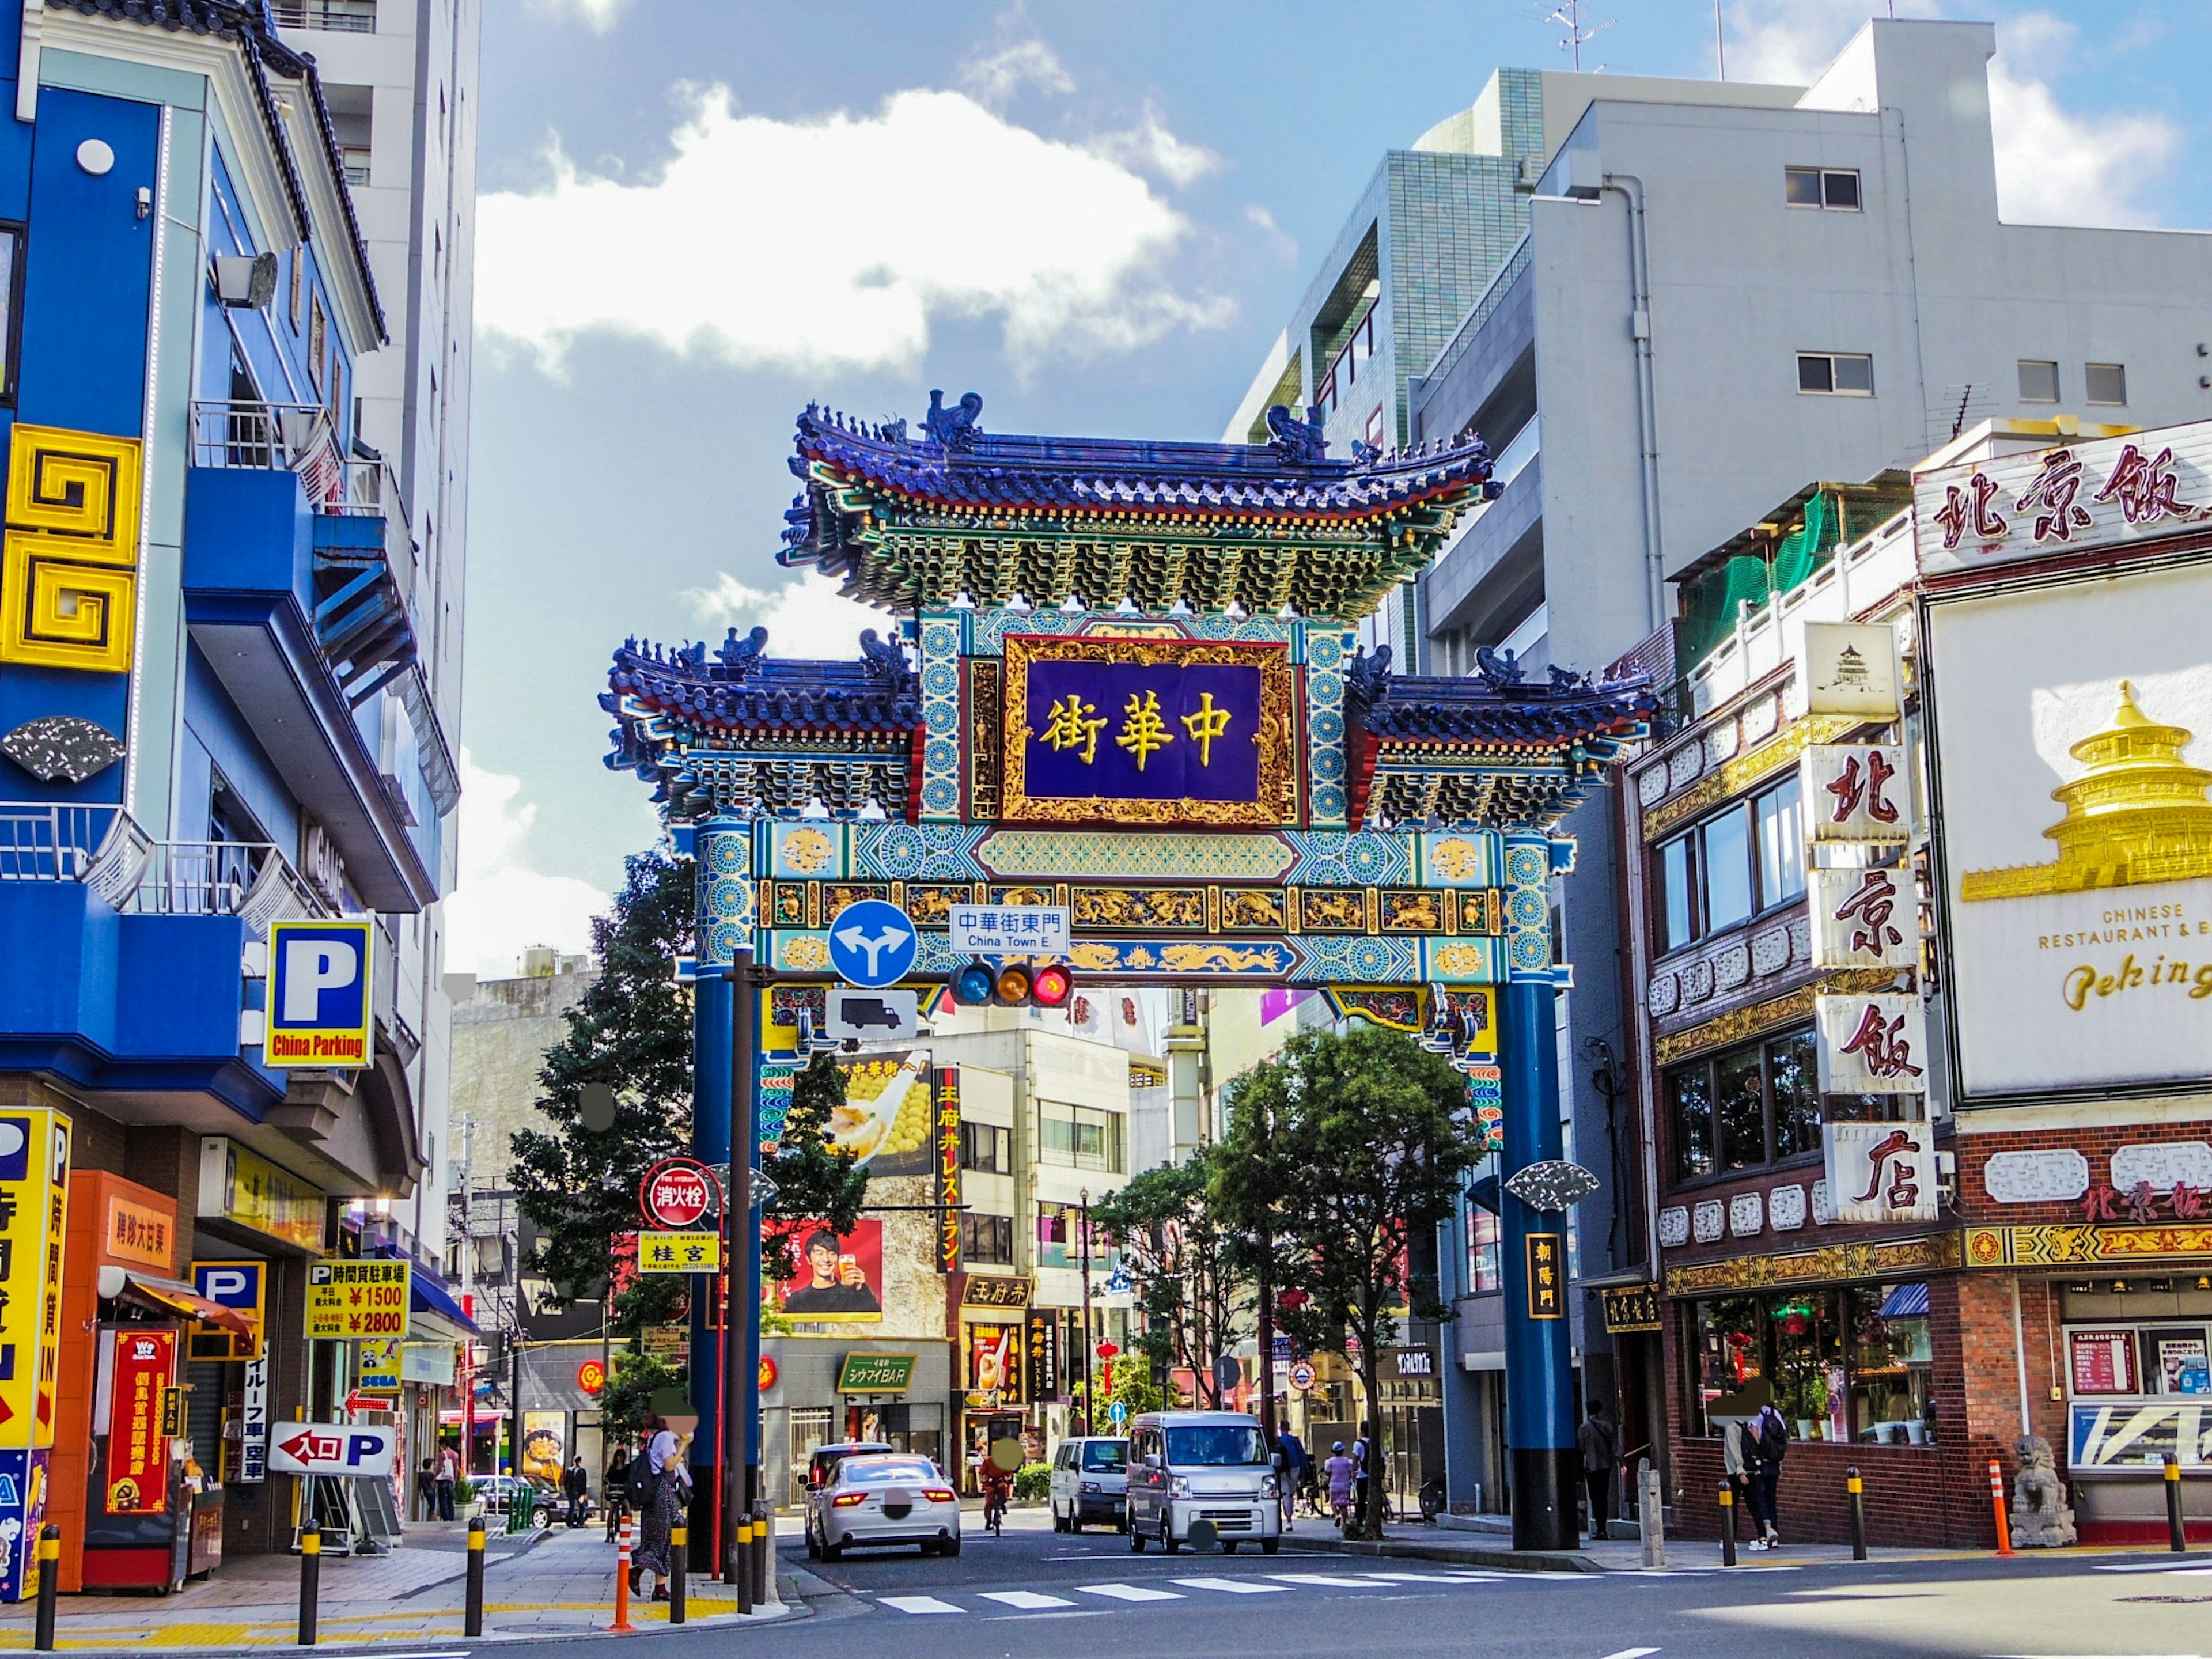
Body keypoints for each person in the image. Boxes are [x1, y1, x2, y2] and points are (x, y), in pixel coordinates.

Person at [631, 1422, 692, 1601]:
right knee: (667, 1539)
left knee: (658, 1540)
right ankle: (637, 1571)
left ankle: (660, 1588)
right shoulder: (664, 1437)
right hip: (663, 1494)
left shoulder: (652, 1438)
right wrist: (683, 1447)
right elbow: (669, 1466)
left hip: (653, 1495)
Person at [782, 1230, 881, 1316]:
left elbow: (875, 1320)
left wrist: (862, 1290)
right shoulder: (795, 1301)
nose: (826, 1259)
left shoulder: (853, 1295)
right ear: (809, 1259)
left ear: (838, 1258)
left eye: (832, 1253)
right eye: (820, 1253)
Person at [1748, 1402, 1788, 1551]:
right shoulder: (1776, 1414)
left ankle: (1768, 1528)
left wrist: (1755, 1456)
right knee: (1772, 1498)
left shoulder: (1755, 1415)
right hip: (1775, 1463)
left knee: (1760, 1497)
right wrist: (1779, 1462)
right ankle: (1775, 1536)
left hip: (1762, 1463)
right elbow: (1782, 1440)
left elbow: (1755, 1436)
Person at [1575, 1404, 1619, 1539]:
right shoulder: (1607, 1426)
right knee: (1603, 1497)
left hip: (1590, 1467)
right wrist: (1619, 1461)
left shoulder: (1583, 1429)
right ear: (1600, 1411)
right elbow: (1615, 1446)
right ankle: (1603, 1528)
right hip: (1605, 1466)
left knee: (1595, 1498)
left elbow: (1581, 1449)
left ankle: (1599, 1529)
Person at [1721, 1415, 1753, 1544]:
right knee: (1754, 1504)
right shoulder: (1749, 1422)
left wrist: (1740, 1469)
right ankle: (1764, 1536)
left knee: (1731, 1506)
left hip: (1737, 1471)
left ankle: (1730, 1539)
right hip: (1752, 1468)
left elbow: (1734, 1448)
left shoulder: (1731, 1425)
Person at [1274, 1419, 1309, 1531]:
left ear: (1280, 1429)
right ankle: (1290, 1516)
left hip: (1283, 1470)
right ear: (1289, 1428)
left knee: (1285, 1494)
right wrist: (1303, 1475)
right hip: (1295, 1468)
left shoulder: (1278, 1441)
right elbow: (1302, 1457)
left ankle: (1289, 1521)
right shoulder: (1295, 1440)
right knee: (1291, 1494)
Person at [1323, 1441, 1357, 1529]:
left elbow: (1327, 1472)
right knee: (1344, 1505)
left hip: (1334, 1484)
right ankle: (1344, 1522)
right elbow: (1351, 1470)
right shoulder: (1348, 1461)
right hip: (1345, 1485)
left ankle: (1337, 1515)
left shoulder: (1330, 1462)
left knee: (1334, 1502)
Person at [604, 1446, 632, 1543]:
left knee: (629, 1511)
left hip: (623, 1492)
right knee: (611, 1511)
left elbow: (630, 1478)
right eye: (618, 1456)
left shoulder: (627, 1468)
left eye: (622, 1456)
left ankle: (627, 1530)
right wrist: (607, 1483)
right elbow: (607, 1478)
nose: (620, 1458)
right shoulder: (612, 1468)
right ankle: (608, 1534)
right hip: (614, 1492)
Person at [1351, 1419, 1374, 1530]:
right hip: (1373, 1476)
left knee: (1361, 1499)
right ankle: (1373, 1518)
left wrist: (1353, 1472)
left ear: (1362, 1431)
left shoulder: (1358, 1444)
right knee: (1372, 1497)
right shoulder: (1375, 1443)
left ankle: (1360, 1519)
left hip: (1362, 1474)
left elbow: (1356, 1459)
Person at [562, 1454, 590, 1527]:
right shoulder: (582, 1471)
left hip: (571, 1492)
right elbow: (584, 1483)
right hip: (580, 1493)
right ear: (580, 1461)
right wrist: (584, 1493)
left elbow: (565, 1482)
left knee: (572, 1507)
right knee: (582, 1507)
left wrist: (567, 1491)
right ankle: (580, 1523)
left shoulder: (569, 1470)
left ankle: (570, 1523)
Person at [435, 1441, 459, 1522]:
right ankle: (451, 1517)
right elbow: (456, 1468)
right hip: (451, 1480)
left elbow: (440, 1467)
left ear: (444, 1445)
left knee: (443, 1499)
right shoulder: (455, 1455)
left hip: (443, 1480)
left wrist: (436, 1478)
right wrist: (455, 1479)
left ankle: (445, 1518)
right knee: (451, 1499)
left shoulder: (442, 1454)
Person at [415, 1457, 438, 1522]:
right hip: (431, 1491)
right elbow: (433, 1485)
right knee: (432, 1507)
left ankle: (429, 1519)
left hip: (425, 1491)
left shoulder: (421, 1475)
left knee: (430, 1506)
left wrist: (420, 1494)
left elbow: (419, 1485)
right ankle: (431, 1519)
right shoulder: (431, 1474)